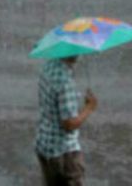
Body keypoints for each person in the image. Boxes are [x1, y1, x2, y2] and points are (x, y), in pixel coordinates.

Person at [35, 56, 98, 186]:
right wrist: (89, 108)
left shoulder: (48, 66)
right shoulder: (65, 81)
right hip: (64, 153)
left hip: (45, 145)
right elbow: (69, 124)